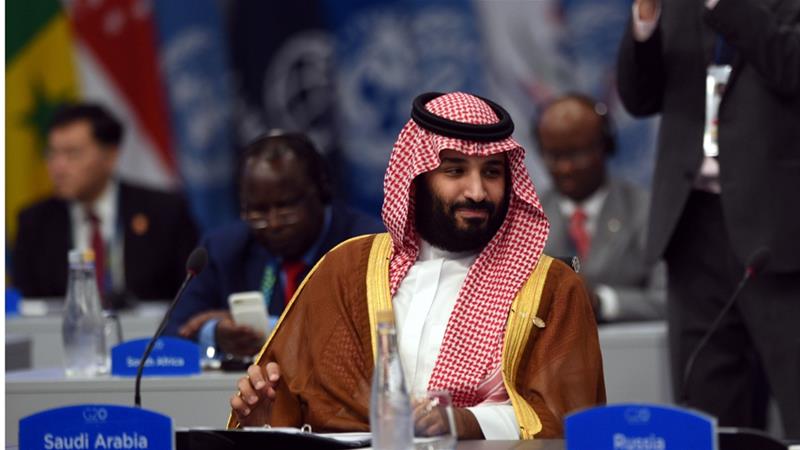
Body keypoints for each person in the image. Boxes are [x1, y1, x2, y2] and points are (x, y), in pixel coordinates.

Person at [227, 92, 605, 439]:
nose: (477, 192)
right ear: (417, 176)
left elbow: (570, 417)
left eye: (492, 172)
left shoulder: (550, 287)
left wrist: (460, 422)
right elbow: (299, 400)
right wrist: (266, 421)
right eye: (455, 171)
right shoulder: (346, 269)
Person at [617, 0, 800, 436]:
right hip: (692, 223)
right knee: (708, 408)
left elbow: (790, 68)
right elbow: (639, 98)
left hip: (780, 227)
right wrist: (646, 19)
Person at [165, 132, 383, 358]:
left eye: (286, 207)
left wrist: (272, 330)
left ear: (322, 193)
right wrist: (214, 333)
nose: (274, 223)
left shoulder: (366, 247)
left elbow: (377, 333)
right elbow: (170, 337)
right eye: (258, 211)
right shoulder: (224, 248)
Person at [12, 102, 198, 304]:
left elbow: (192, 296)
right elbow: (26, 307)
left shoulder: (165, 211)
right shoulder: (34, 222)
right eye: (52, 153)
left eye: (72, 153)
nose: (58, 167)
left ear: (110, 156)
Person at [534, 93, 665, 322]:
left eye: (576, 153)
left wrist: (602, 302)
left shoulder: (647, 211)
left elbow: (670, 300)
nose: (565, 168)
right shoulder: (524, 219)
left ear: (606, 147)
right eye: (554, 156)